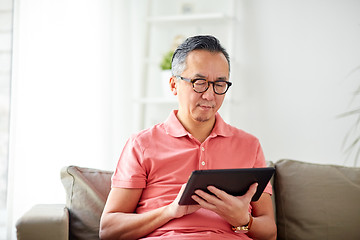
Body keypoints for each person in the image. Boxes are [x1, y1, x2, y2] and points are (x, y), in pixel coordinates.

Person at [99, 35, 277, 240]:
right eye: (199, 82)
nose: (210, 96)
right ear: (174, 85)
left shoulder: (249, 145)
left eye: (219, 84)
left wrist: (243, 220)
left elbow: (269, 233)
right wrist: (170, 211)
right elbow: (109, 230)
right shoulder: (141, 144)